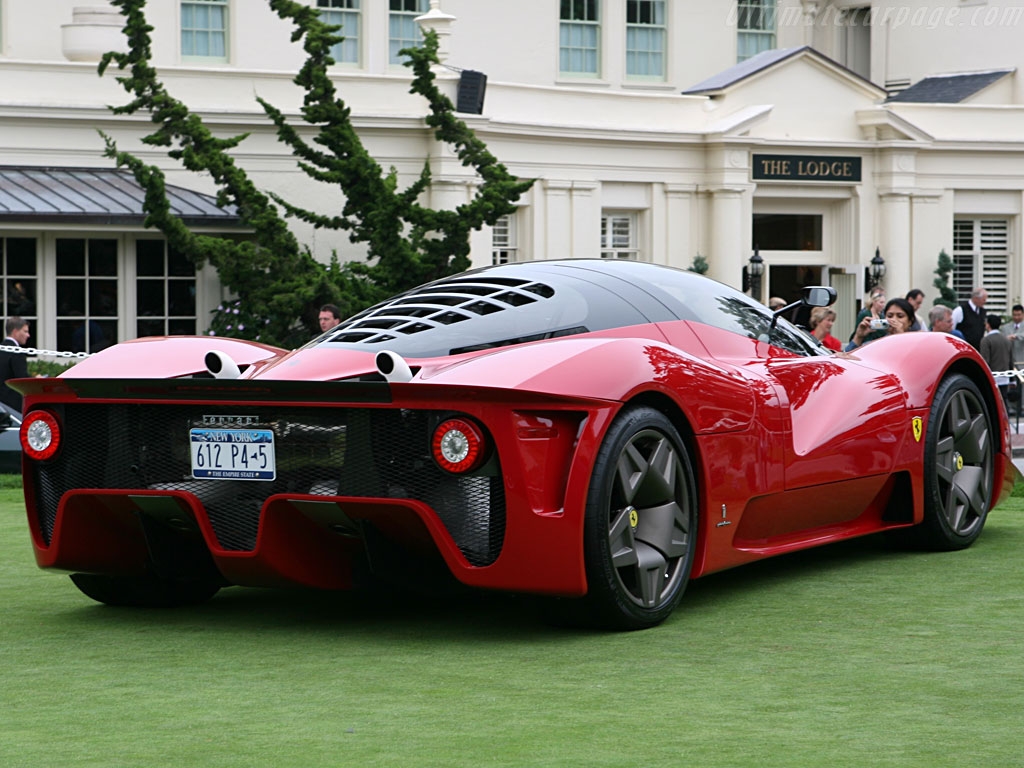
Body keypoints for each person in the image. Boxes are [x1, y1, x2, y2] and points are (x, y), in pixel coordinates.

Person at [845, 297, 914, 351]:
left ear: (910, 321)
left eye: (900, 316)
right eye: (889, 316)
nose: (893, 319)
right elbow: (846, 358)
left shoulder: (915, 343)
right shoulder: (877, 343)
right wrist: (858, 337)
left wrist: (900, 337)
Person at [980, 313, 1012, 410]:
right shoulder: (1006, 340)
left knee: (992, 403)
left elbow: (985, 360)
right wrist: (1013, 379)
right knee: (1004, 402)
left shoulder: (986, 340)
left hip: (993, 376)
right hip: (1005, 376)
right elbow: (1011, 359)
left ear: (988, 325)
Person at [0, 316, 31, 414]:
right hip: (13, 404)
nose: (28, 335)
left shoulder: (1, 349)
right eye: (25, 331)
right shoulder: (17, 352)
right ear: (15, 332)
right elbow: (22, 379)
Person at [1001, 303, 1024, 367]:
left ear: (1023, 314)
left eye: (1019, 315)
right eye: (1014, 315)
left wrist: (1015, 336)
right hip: (1009, 361)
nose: (1016, 317)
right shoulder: (1005, 327)